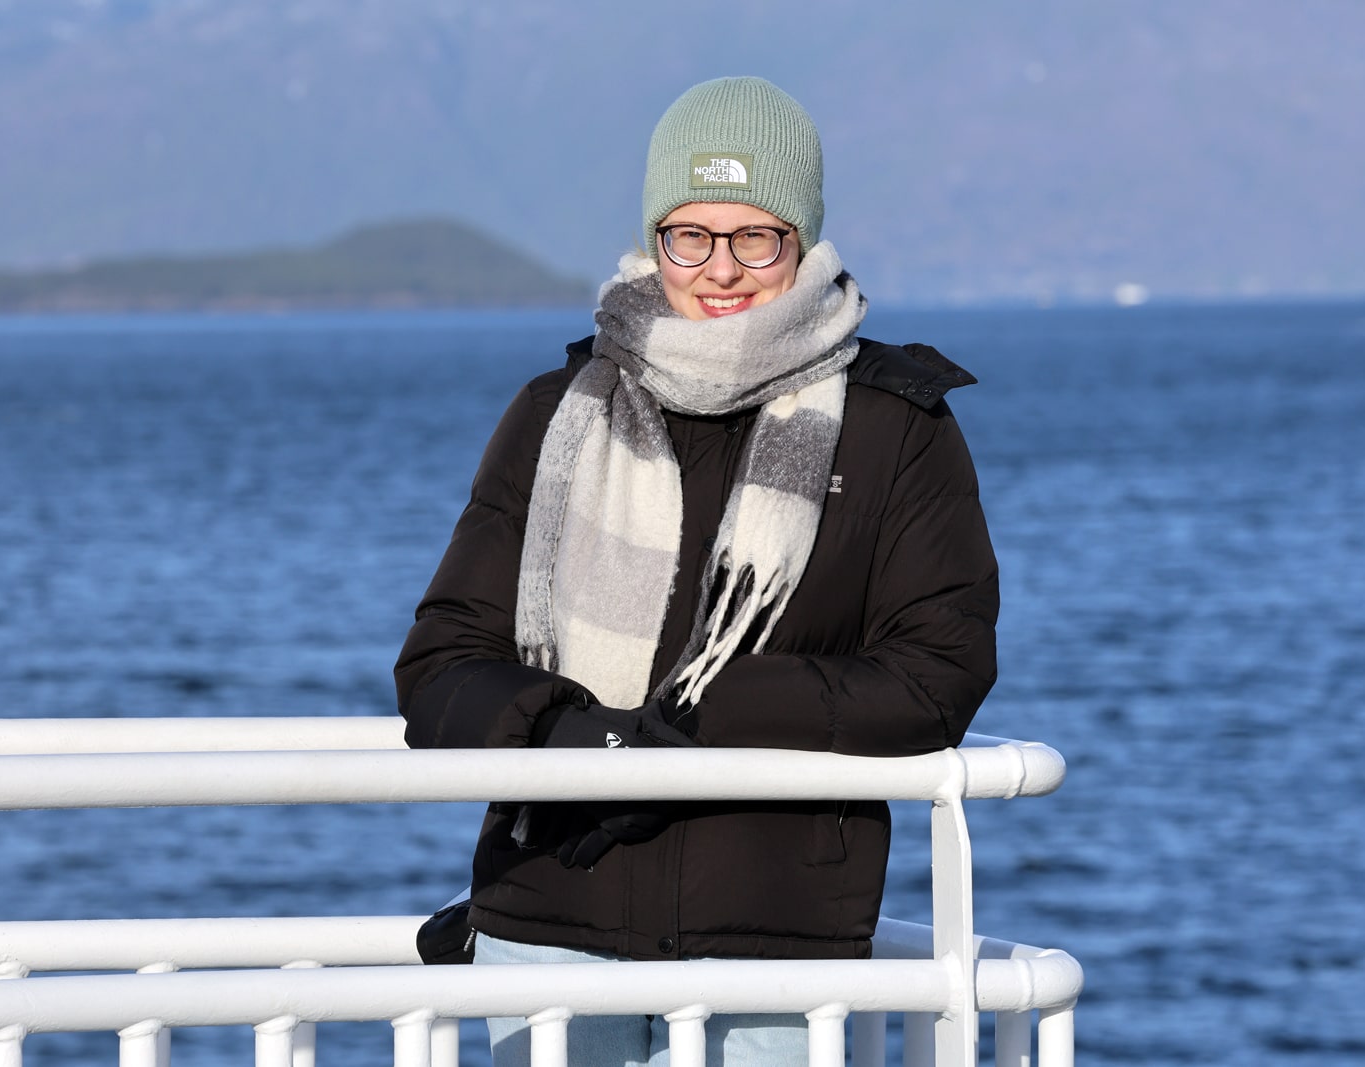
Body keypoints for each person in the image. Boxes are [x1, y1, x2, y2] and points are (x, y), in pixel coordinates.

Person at [395, 75, 998, 1067]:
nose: (720, 269)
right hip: (548, 925)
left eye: (754, 236)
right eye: (690, 235)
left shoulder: (896, 429)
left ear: (801, 240)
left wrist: (708, 712)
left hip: (777, 951)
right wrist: (570, 733)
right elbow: (441, 662)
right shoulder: (557, 414)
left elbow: (937, 674)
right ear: (655, 238)